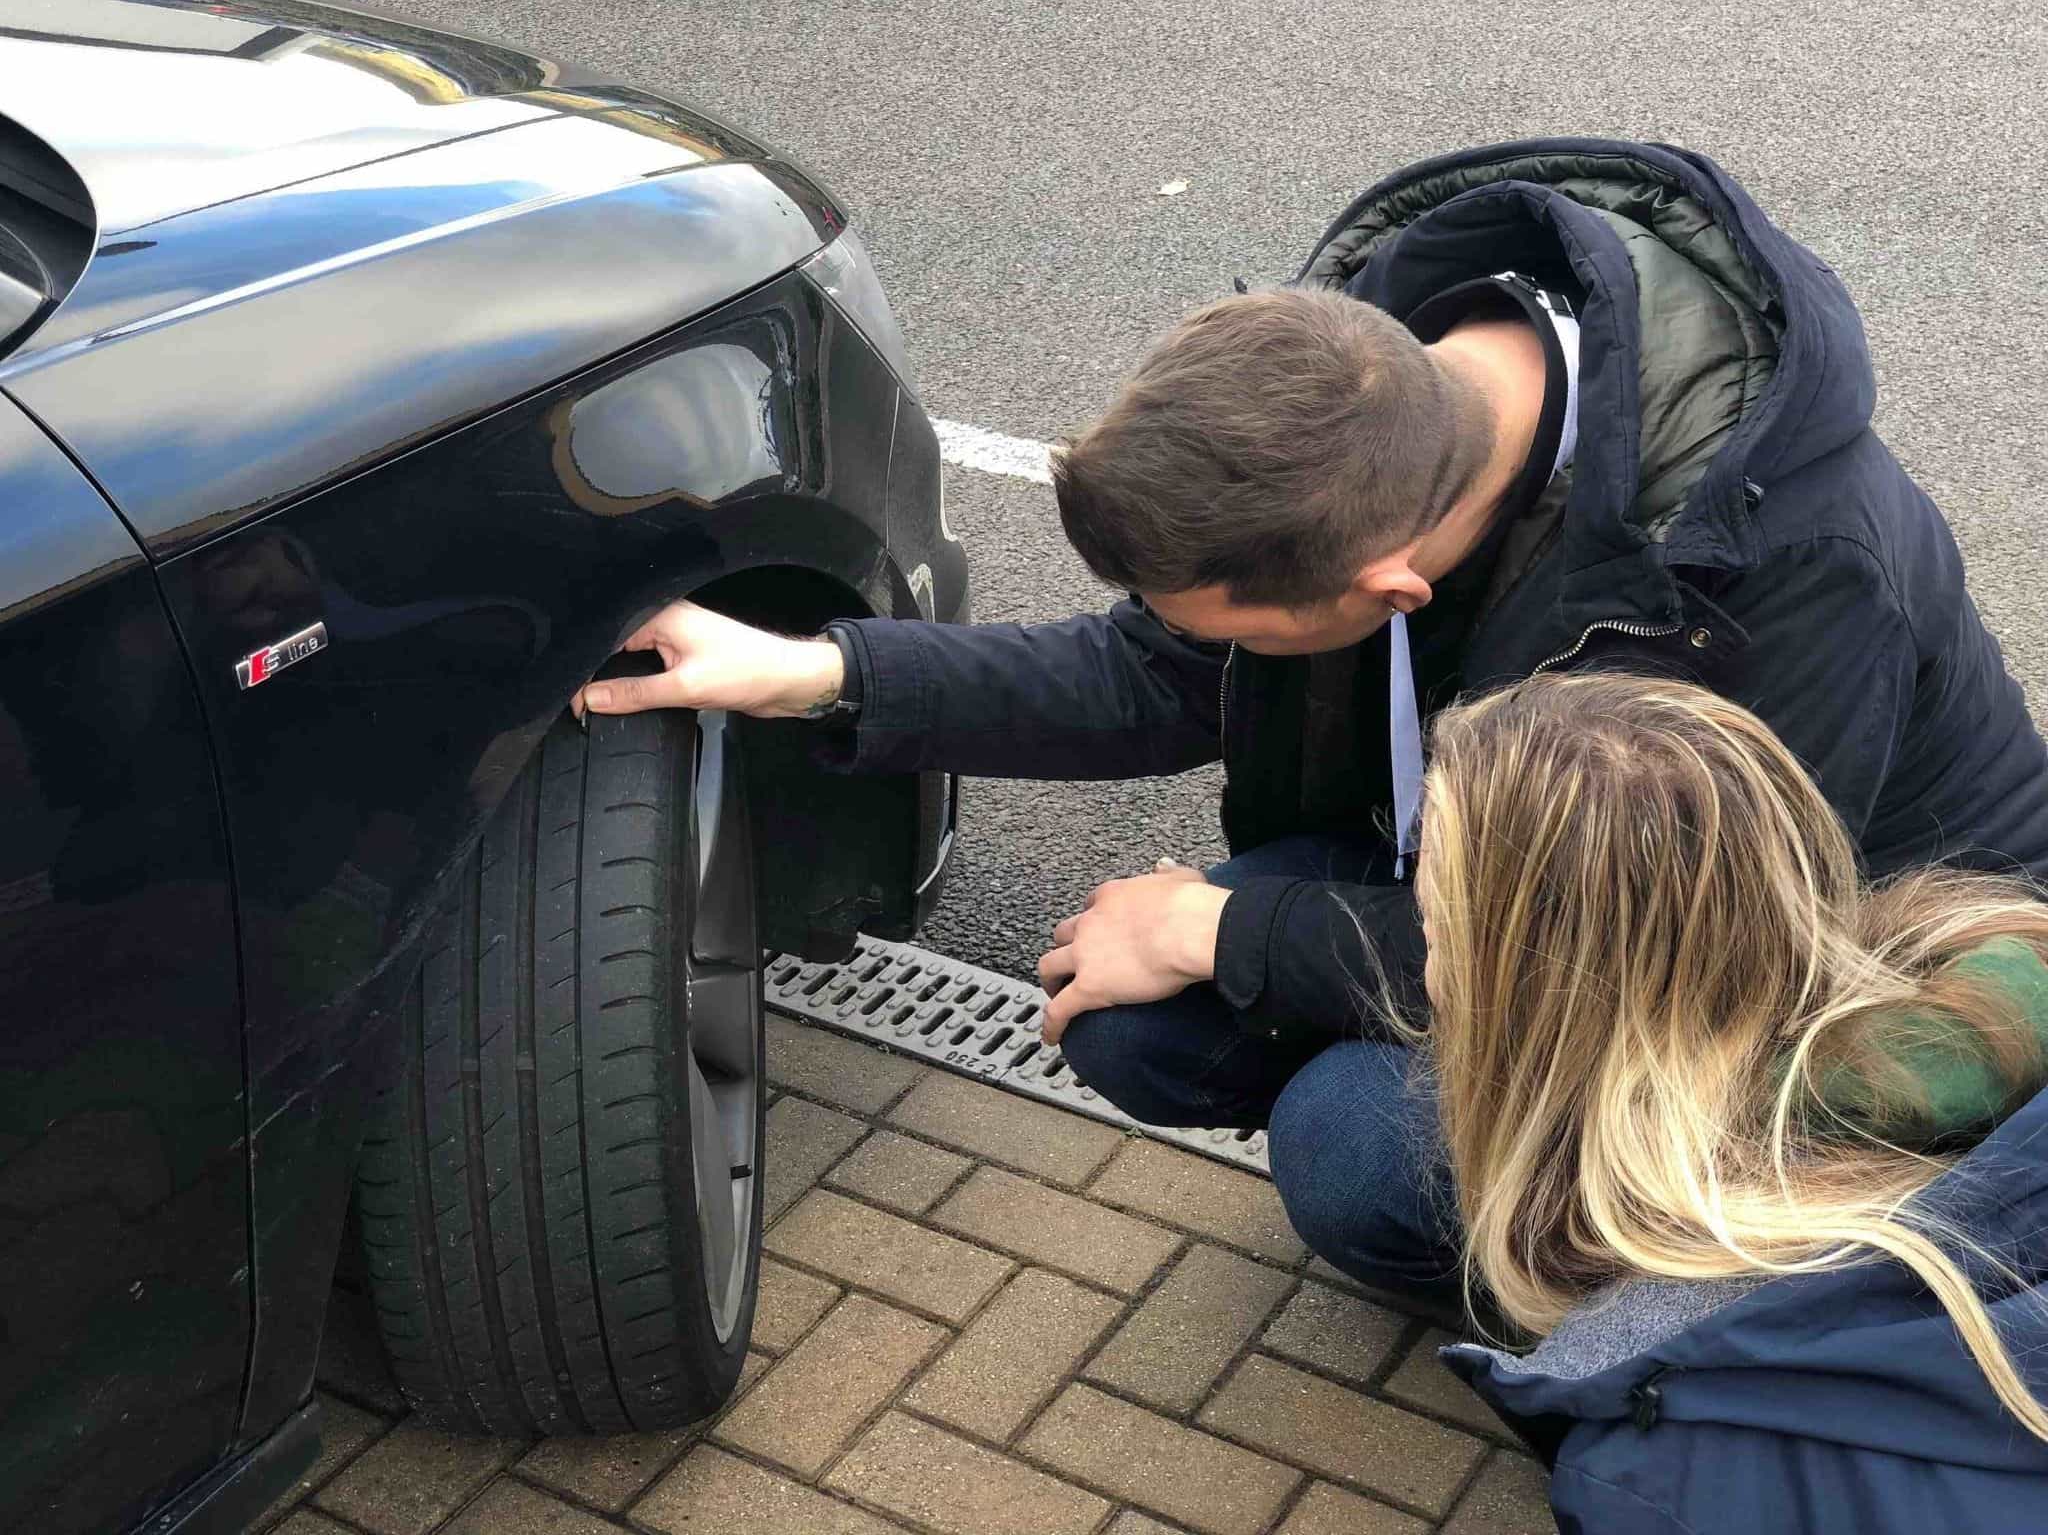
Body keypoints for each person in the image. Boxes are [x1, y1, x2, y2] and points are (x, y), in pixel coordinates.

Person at [575, 137, 2048, 1312]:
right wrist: (814, 673)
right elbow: (1145, 675)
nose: (1195, 653)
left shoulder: (1770, 576)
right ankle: (1485, 1117)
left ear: (1390, 585)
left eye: (1231, 630)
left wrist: (1233, 938)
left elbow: (1681, 960)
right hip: (1523, 901)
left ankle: (1671, 1278)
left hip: (1841, 964)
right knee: (1145, 1028)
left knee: (1353, 1146)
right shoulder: (1368, 419)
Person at [1410, 672, 2048, 1533]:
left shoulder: (1660, 1446)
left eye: (1436, 931)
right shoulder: (1995, 963)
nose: (1430, 969)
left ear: (1531, 1000)